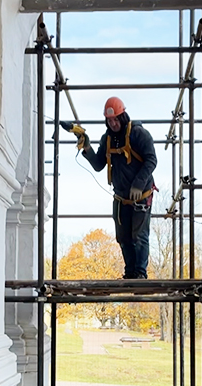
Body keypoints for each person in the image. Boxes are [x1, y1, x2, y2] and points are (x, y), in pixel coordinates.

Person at [74, 96, 157, 279]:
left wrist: (138, 184)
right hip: (120, 197)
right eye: (109, 120)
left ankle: (140, 274)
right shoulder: (108, 139)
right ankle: (130, 274)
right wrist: (87, 148)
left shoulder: (138, 134)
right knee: (123, 238)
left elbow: (151, 160)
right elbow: (98, 165)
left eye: (115, 119)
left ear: (123, 116)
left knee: (140, 236)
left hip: (141, 196)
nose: (113, 123)